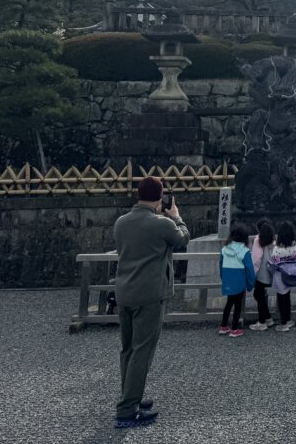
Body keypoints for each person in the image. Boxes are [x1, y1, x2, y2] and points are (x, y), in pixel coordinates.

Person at [112, 177, 190, 429]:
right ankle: (126, 410)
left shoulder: (121, 223)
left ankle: (130, 396)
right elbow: (183, 238)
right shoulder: (161, 223)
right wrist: (176, 215)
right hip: (149, 295)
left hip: (124, 291)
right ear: (159, 198)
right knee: (142, 351)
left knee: (128, 349)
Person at [218, 224, 255, 337]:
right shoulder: (244, 250)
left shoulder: (224, 249)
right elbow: (249, 269)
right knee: (238, 305)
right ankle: (234, 329)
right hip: (239, 281)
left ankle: (223, 326)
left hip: (228, 279)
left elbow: (220, 266)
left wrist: (223, 278)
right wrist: (250, 284)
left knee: (229, 303)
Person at [268, 222, 296, 332]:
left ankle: (283, 324)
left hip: (280, 276)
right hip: (291, 275)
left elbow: (273, 262)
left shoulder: (277, 249)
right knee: (287, 298)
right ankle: (288, 320)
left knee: (281, 298)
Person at [248, 219, 276, 331]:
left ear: (258, 228)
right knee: (260, 295)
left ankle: (262, 322)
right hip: (269, 271)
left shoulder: (258, 240)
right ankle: (268, 318)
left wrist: (252, 271)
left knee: (258, 295)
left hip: (260, 271)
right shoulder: (272, 240)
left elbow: (256, 257)